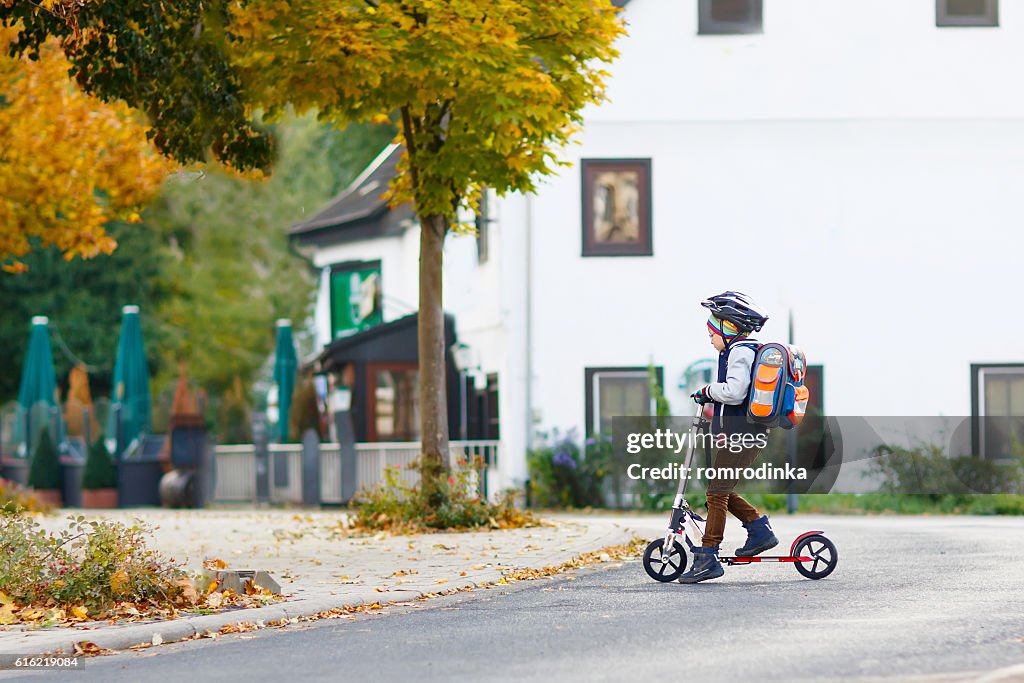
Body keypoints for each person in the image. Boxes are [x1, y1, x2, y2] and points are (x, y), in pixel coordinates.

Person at [677, 291, 779, 584]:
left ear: (728, 327)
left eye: (712, 332)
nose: (710, 339)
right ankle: (759, 530)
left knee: (716, 494)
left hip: (743, 433)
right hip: (741, 432)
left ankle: (708, 556)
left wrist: (708, 391)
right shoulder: (741, 350)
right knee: (720, 488)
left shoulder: (740, 352)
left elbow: (735, 391)